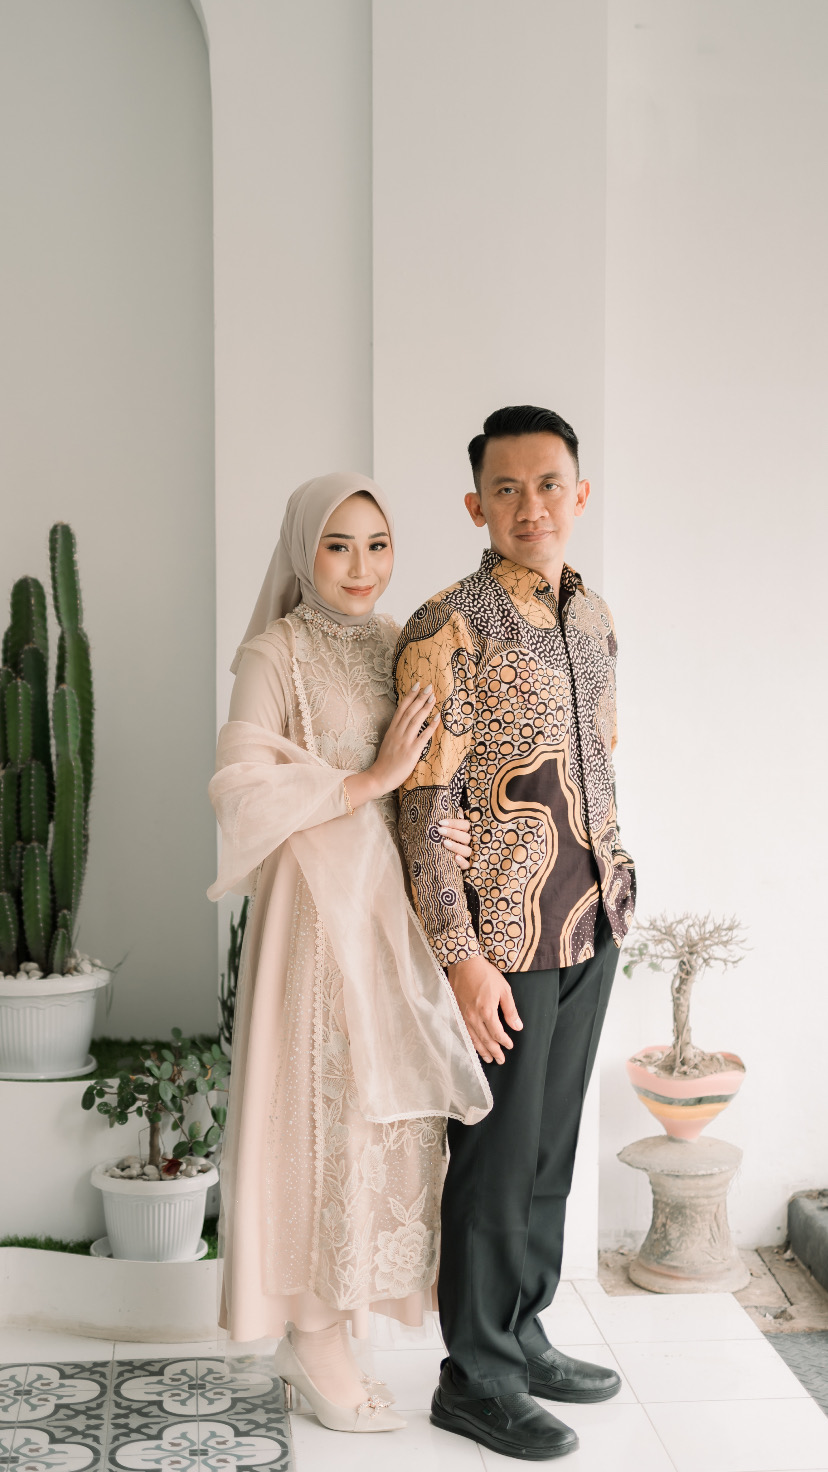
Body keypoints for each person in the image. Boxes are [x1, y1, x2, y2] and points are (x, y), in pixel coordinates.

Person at [207, 472, 490, 1436]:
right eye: (338, 545)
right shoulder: (273, 653)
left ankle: (336, 1325)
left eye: (377, 544)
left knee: (381, 1119)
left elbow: (427, 783)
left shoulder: (401, 643)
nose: (362, 567)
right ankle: (312, 1334)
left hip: (388, 917)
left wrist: (437, 824)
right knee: (319, 1113)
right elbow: (239, 789)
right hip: (313, 920)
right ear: (303, 551)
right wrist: (370, 778)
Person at [394, 406, 636, 1461]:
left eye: (548, 484)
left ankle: (524, 1333)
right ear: (475, 505)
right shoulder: (447, 624)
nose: (530, 505)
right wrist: (460, 956)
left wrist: (619, 879)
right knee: (493, 1162)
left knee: (547, 1155)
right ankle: (476, 1376)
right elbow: (420, 806)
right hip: (502, 938)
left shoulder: (595, 618)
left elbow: (601, 759)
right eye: (507, 488)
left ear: (578, 494)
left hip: (591, 919)